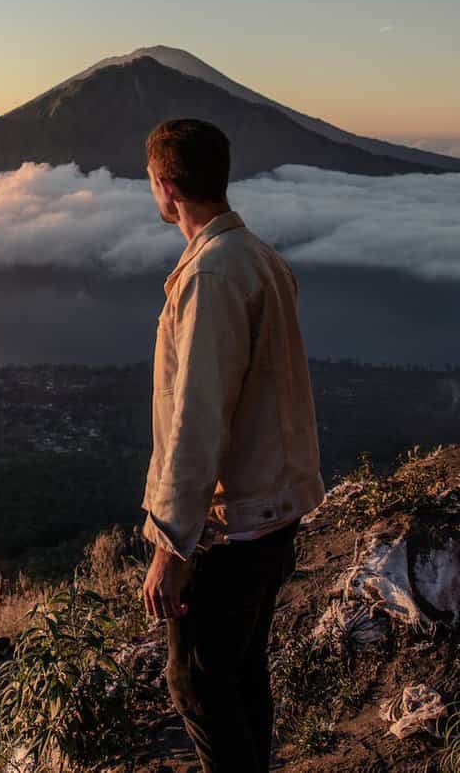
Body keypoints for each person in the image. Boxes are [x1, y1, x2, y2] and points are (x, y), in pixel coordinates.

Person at [139, 117, 326, 773]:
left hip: (232, 526)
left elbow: (198, 420)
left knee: (196, 683)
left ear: (166, 187)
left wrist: (170, 546)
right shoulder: (260, 258)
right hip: (275, 510)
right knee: (241, 676)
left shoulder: (212, 275)